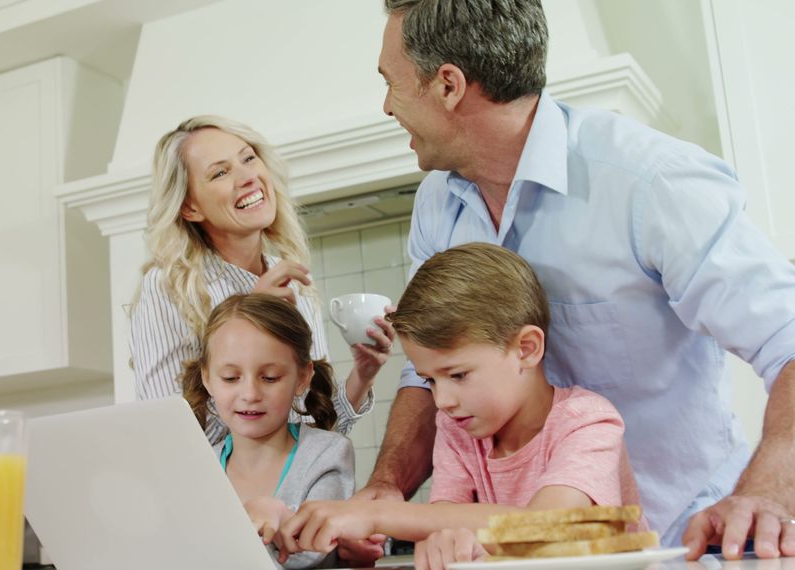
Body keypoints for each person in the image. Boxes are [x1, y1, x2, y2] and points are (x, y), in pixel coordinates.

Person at [347, 0, 795, 563]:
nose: (387, 107)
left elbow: (789, 338)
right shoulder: (438, 206)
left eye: (392, 83)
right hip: (523, 554)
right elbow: (424, 365)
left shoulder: (651, 182)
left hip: (679, 544)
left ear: (449, 85)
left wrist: (767, 492)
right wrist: (386, 484)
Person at [279, 243, 646, 570]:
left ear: (526, 349)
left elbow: (549, 526)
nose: (442, 401)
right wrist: (444, 541)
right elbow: (445, 517)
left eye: (457, 375)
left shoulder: (588, 422)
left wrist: (376, 514)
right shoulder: (458, 431)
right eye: (430, 380)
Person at [129, 115, 396, 444]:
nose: (248, 177)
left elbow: (315, 435)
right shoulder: (170, 287)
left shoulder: (292, 281)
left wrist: (363, 374)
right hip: (224, 494)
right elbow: (169, 436)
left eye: (248, 158)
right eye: (220, 172)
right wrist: (254, 318)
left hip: (298, 490)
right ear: (190, 207)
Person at [182, 293, 355, 569]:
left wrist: (281, 517)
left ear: (302, 378)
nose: (250, 394)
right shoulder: (198, 471)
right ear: (207, 379)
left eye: (270, 377)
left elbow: (312, 552)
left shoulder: (327, 453)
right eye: (231, 378)